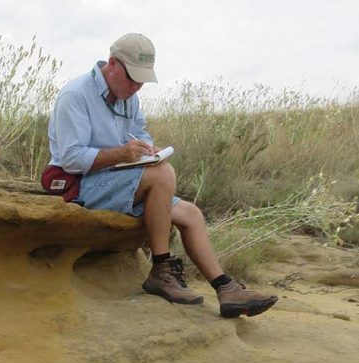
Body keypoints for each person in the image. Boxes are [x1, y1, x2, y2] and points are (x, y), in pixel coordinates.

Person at [43, 33, 277, 318]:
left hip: (119, 181)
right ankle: (161, 269)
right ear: (113, 64)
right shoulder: (76, 95)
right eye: (132, 79)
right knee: (163, 175)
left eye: (142, 80)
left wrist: (146, 149)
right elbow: (70, 158)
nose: (137, 87)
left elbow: (139, 133)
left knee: (191, 214)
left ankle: (226, 288)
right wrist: (122, 154)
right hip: (81, 186)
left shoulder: (129, 98)